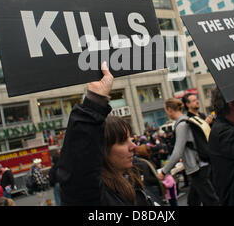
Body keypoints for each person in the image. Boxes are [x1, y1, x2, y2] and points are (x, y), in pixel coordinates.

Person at [58, 62, 161, 206]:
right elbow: (78, 170)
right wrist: (95, 101)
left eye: (130, 139)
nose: (134, 146)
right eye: (121, 141)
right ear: (102, 150)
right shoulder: (94, 196)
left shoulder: (131, 181)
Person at [157, 98, 219, 206]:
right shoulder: (187, 120)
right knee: (193, 201)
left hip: (197, 168)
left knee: (211, 201)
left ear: (169, 109)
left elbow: (177, 152)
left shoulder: (181, 125)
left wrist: (164, 172)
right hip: (200, 165)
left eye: (166, 111)